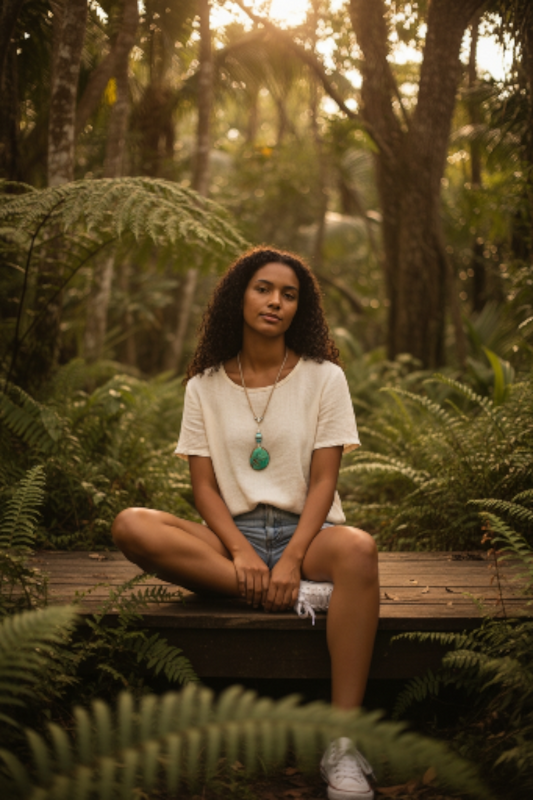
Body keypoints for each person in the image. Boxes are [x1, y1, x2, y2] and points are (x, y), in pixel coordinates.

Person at [112, 247, 380, 800]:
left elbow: (324, 481)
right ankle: (299, 596)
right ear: (239, 296)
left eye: (289, 294)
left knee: (359, 550)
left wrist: (291, 556)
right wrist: (239, 549)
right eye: (264, 289)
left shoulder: (324, 378)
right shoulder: (203, 386)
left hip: (307, 535)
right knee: (131, 525)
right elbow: (204, 488)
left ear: (299, 308)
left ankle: (343, 744)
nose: (275, 301)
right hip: (232, 536)